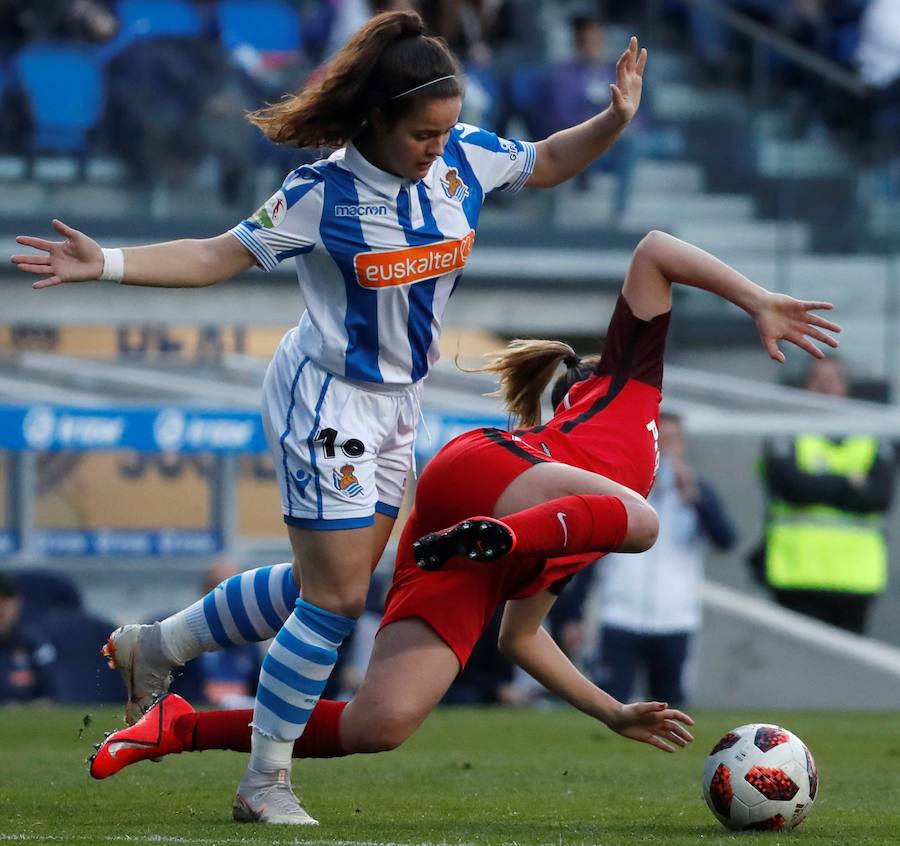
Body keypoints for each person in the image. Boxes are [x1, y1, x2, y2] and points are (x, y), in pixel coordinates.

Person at [12, 9, 649, 826]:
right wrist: (108, 264)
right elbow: (218, 255)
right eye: (423, 131)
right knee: (336, 600)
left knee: (332, 584)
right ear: (378, 118)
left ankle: (160, 645)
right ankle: (263, 783)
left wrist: (614, 118)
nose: (437, 145)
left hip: (400, 404)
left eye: (446, 128)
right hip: (329, 400)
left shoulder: (466, 159)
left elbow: (549, 159)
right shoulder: (324, 192)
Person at [89, 231, 840, 822]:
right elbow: (655, 251)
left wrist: (611, 711)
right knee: (637, 521)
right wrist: (758, 299)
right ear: (578, 389)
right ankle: (500, 537)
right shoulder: (627, 384)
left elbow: (520, 637)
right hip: (490, 477)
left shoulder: (579, 531)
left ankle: (178, 727)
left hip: (484, 545)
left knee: (379, 719)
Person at [592, 411, 736, 708]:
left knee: (670, 703)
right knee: (609, 700)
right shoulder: (620, 489)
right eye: (662, 440)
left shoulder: (697, 492)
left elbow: (726, 539)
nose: (667, 449)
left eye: (673, 440)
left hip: (674, 618)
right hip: (621, 614)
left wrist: (697, 500)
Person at [755, 357, 895, 634]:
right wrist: (849, 481)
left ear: (845, 387)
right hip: (797, 575)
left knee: (849, 672)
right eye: (818, 379)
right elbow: (792, 488)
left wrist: (818, 484)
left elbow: (878, 497)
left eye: (833, 379)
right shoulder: (787, 432)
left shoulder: (872, 435)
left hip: (856, 578)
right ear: (806, 385)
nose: (826, 387)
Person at [0, 573, 60, 704]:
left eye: (6, 599)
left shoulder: (34, 642)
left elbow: (52, 694)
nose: (2, 606)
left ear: (17, 603)